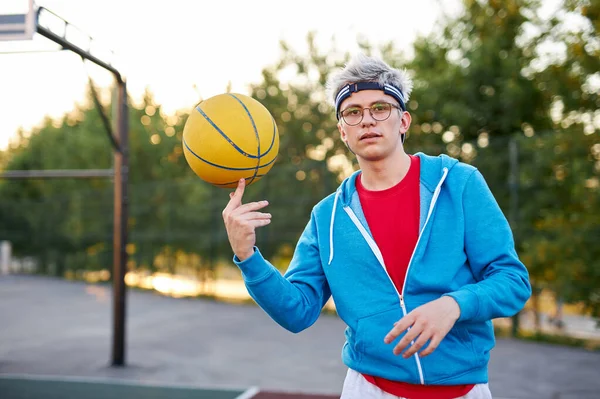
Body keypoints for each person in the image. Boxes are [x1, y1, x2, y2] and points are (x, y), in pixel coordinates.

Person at [221, 54, 531, 399]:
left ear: (403, 121)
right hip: (369, 389)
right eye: (353, 112)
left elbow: (512, 281)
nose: (367, 120)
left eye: (380, 108)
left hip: (462, 389)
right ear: (343, 131)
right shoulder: (328, 216)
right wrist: (246, 255)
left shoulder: (458, 184)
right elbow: (297, 311)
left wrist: (454, 304)